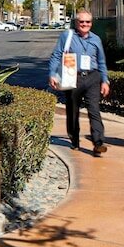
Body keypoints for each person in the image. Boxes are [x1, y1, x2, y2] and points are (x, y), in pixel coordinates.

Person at [48, 9, 110, 156]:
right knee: (73, 110)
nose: (84, 24)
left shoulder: (96, 39)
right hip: (72, 76)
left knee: (94, 109)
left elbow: (101, 62)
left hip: (92, 77)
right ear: (76, 23)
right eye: (81, 21)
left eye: (87, 22)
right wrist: (52, 74)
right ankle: (74, 139)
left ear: (91, 23)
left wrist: (105, 80)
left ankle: (98, 142)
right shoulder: (67, 36)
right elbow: (57, 55)